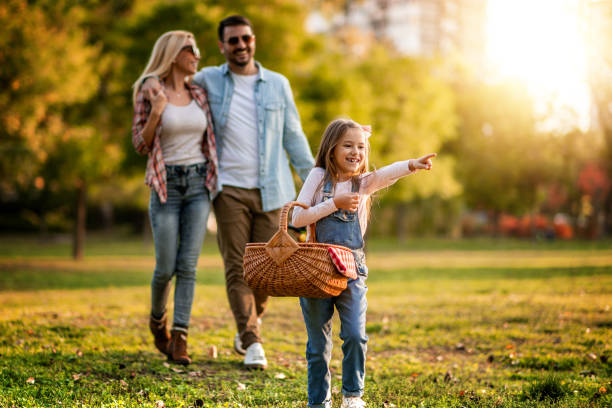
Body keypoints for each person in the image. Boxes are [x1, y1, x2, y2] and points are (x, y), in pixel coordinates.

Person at [141, 15, 315, 369]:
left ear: (254, 40)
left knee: (267, 269)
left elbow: (294, 138)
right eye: (232, 40)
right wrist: (147, 82)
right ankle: (252, 341)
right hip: (227, 190)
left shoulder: (278, 84)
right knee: (237, 268)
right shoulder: (206, 81)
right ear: (221, 47)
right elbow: (165, 73)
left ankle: (252, 321)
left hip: (273, 190)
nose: (240, 45)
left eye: (245, 38)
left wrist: (313, 186)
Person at [291, 119, 436, 408]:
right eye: (348, 145)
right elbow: (297, 219)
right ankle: (318, 401)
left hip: (352, 270)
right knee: (318, 347)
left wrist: (411, 164)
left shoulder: (363, 182)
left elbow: (385, 173)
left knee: (355, 335)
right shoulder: (318, 176)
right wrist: (335, 203)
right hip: (316, 269)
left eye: (361, 146)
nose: (356, 152)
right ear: (332, 149)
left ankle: (352, 395)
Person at [131, 30, 218, 365]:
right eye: (190, 49)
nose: (197, 54)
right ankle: (158, 321)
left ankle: (180, 337)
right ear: (173, 53)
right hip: (165, 185)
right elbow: (141, 144)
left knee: (189, 266)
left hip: (198, 183)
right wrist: (156, 111)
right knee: (165, 266)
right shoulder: (149, 91)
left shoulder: (199, 92)